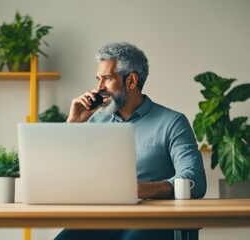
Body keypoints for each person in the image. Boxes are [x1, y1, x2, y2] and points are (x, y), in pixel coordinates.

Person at [54, 42, 207, 240]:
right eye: (98, 79)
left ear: (132, 81)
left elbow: (195, 179)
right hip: (104, 219)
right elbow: (66, 172)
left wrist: (142, 189)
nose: (99, 88)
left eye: (107, 79)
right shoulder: (97, 120)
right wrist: (73, 124)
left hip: (156, 220)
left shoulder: (173, 122)